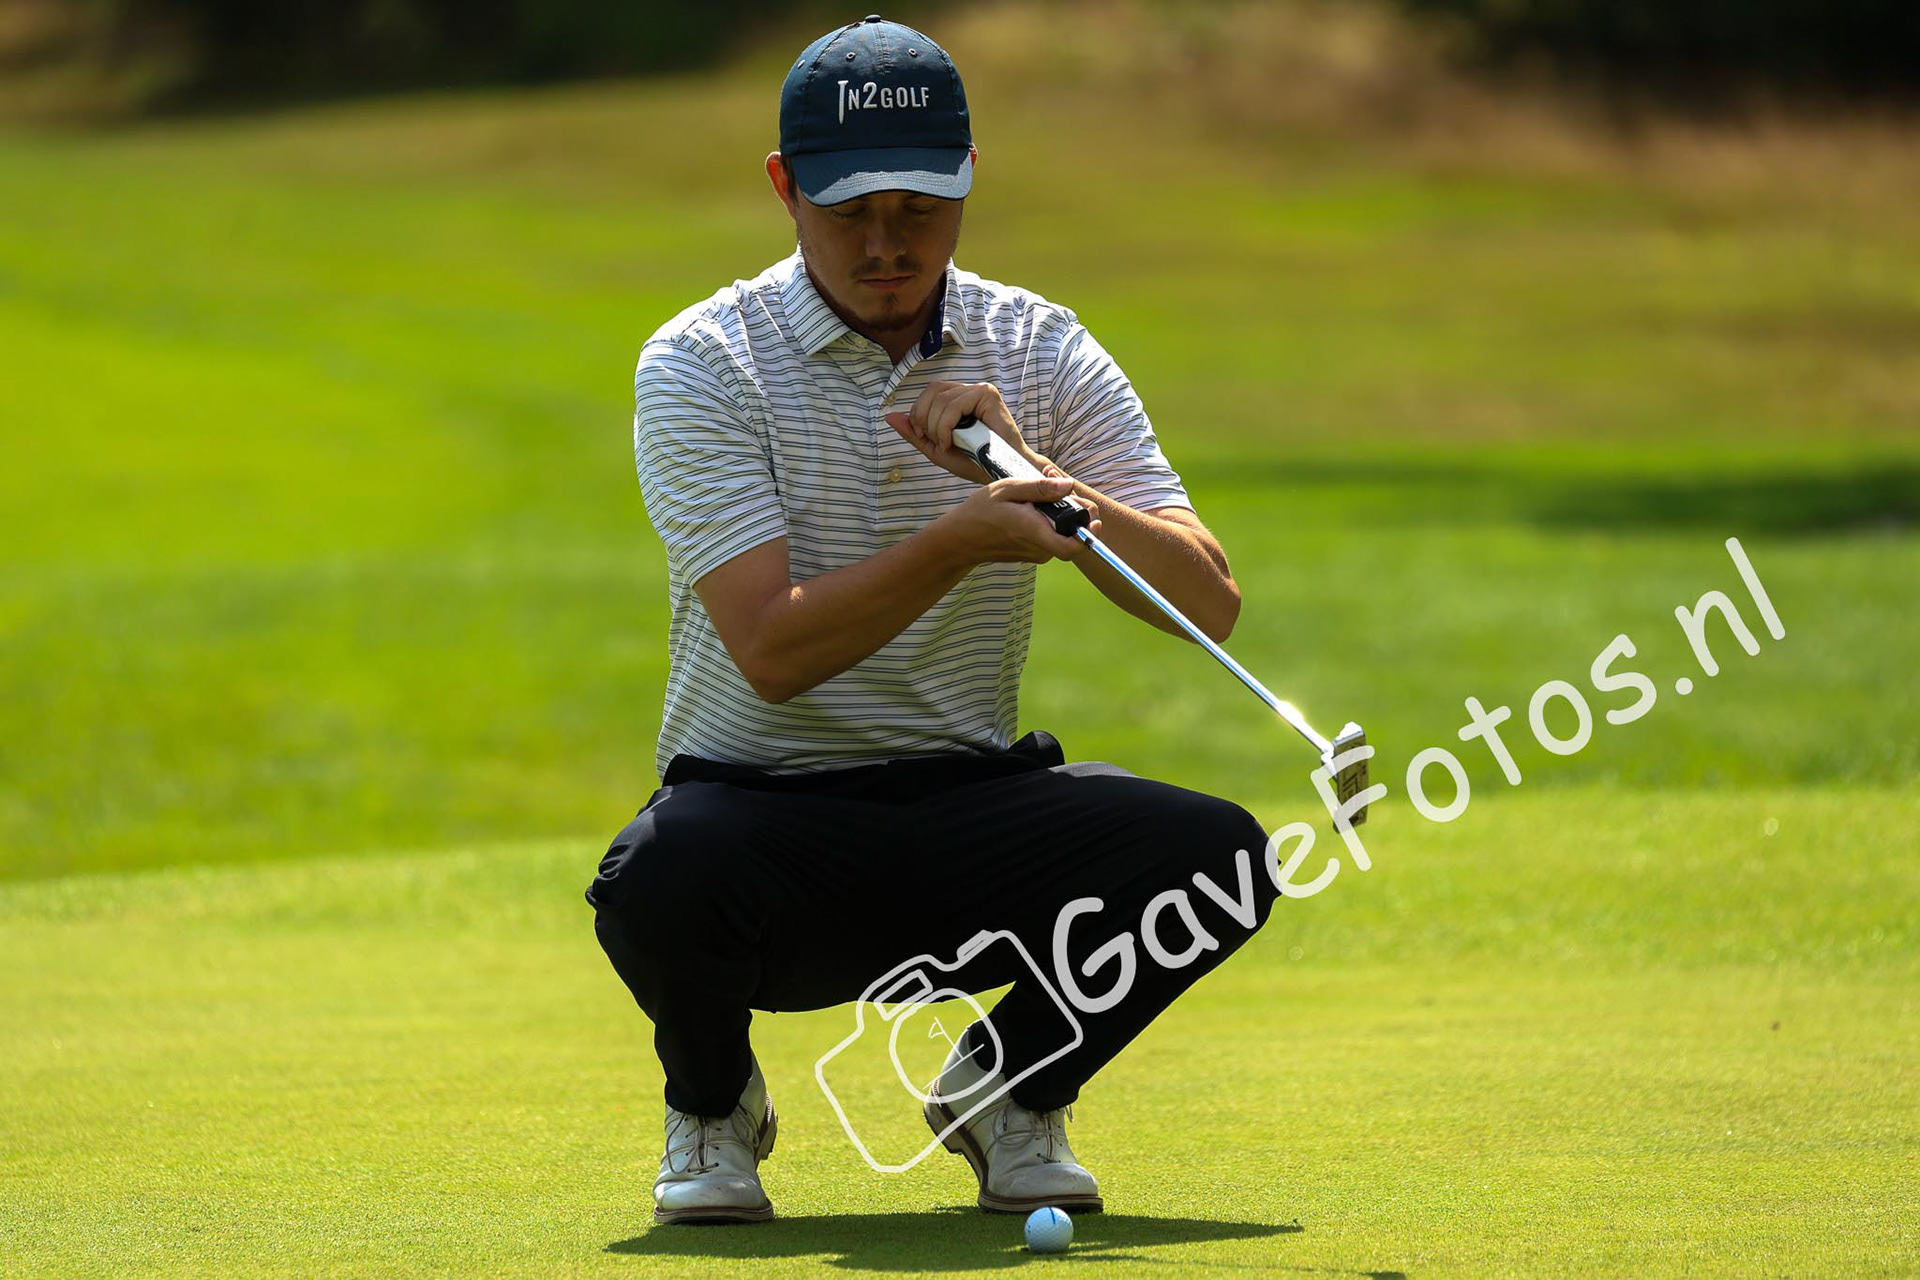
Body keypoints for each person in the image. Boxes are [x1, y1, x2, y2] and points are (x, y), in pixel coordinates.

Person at [586, 15, 1279, 1226]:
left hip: (967, 810)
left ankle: (1008, 1089)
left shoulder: (1039, 343)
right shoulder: (705, 361)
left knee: (1216, 854)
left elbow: (1206, 595)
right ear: (784, 187)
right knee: (661, 871)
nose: (886, 244)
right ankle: (712, 1103)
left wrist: (1037, 473)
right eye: (849, 210)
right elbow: (775, 649)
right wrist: (965, 534)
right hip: (763, 824)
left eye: (918, 208)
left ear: (966, 184)